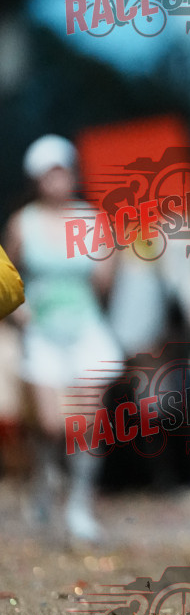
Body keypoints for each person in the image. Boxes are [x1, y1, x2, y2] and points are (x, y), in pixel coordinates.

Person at [4, 136, 120, 541]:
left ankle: (80, 504)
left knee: (85, 422)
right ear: (36, 179)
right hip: (41, 333)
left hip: (85, 329)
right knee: (52, 424)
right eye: (49, 172)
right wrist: (19, 311)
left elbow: (105, 281)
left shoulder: (93, 221)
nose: (58, 179)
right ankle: (45, 477)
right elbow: (7, 277)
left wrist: (110, 259)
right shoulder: (22, 224)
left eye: (63, 170)